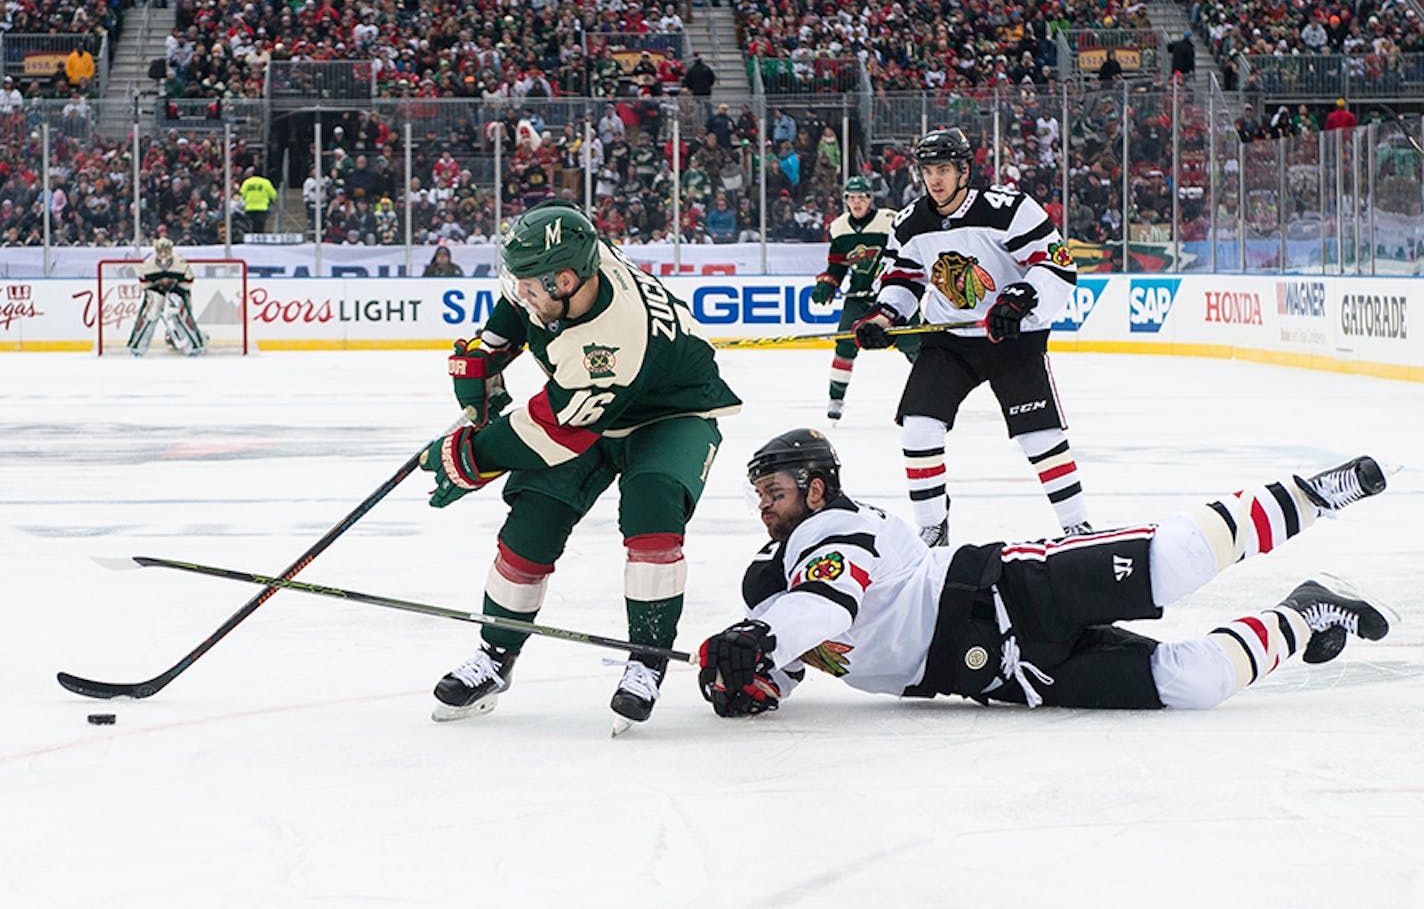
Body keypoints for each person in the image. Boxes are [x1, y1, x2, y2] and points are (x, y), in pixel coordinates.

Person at [696, 429, 1392, 719]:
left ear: (816, 489)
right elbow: (785, 658)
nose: (764, 506)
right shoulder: (775, 581)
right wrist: (743, 679)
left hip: (1012, 589)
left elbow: (824, 608)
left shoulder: (837, 529)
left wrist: (754, 634)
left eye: (774, 491)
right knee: (1194, 683)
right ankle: (1308, 614)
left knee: (1170, 561)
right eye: (759, 495)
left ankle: (1314, 493)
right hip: (1003, 675)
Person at [417, 200, 742, 730]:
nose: (520, 293)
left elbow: (553, 430)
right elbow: (517, 307)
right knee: (532, 519)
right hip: (590, 405)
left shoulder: (610, 342)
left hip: (671, 413)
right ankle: (495, 657)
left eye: (531, 287)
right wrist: (490, 349)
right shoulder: (572, 259)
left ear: (566, 281)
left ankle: (647, 658)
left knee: (652, 511)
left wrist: (471, 457)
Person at [853, 127, 1088, 545]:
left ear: (964, 170)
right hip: (949, 341)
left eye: (943, 169)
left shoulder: (1009, 209)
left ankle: (1077, 526)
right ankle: (932, 528)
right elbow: (903, 278)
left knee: (1039, 437)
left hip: (1010, 338)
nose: (935, 180)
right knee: (919, 427)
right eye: (928, 171)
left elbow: (1057, 267)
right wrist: (886, 318)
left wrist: (1020, 299)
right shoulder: (910, 223)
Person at [812, 176, 915, 421]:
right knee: (845, 344)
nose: (857, 202)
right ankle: (836, 398)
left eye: (861, 197)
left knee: (916, 345)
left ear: (871, 198)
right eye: (851, 198)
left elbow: (906, 252)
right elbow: (837, 266)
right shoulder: (839, 227)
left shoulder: (889, 221)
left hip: (893, 296)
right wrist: (827, 283)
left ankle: (930, 393)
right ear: (845, 200)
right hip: (858, 298)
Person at [125, 237, 205, 356]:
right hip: (155, 290)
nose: (163, 253)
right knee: (151, 311)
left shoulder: (180, 263)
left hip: (178, 290)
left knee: (181, 313)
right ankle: (137, 347)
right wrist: (159, 285)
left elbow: (188, 283)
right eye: (160, 250)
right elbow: (144, 283)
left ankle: (194, 346)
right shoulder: (149, 263)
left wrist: (173, 286)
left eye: (166, 250)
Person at [239, 168, 277, 233]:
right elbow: (273, 195)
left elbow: (242, 195)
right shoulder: (266, 182)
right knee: (260, 227)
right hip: (262, 208)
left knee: (249, 226)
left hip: (249, 208)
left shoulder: (247, 182)